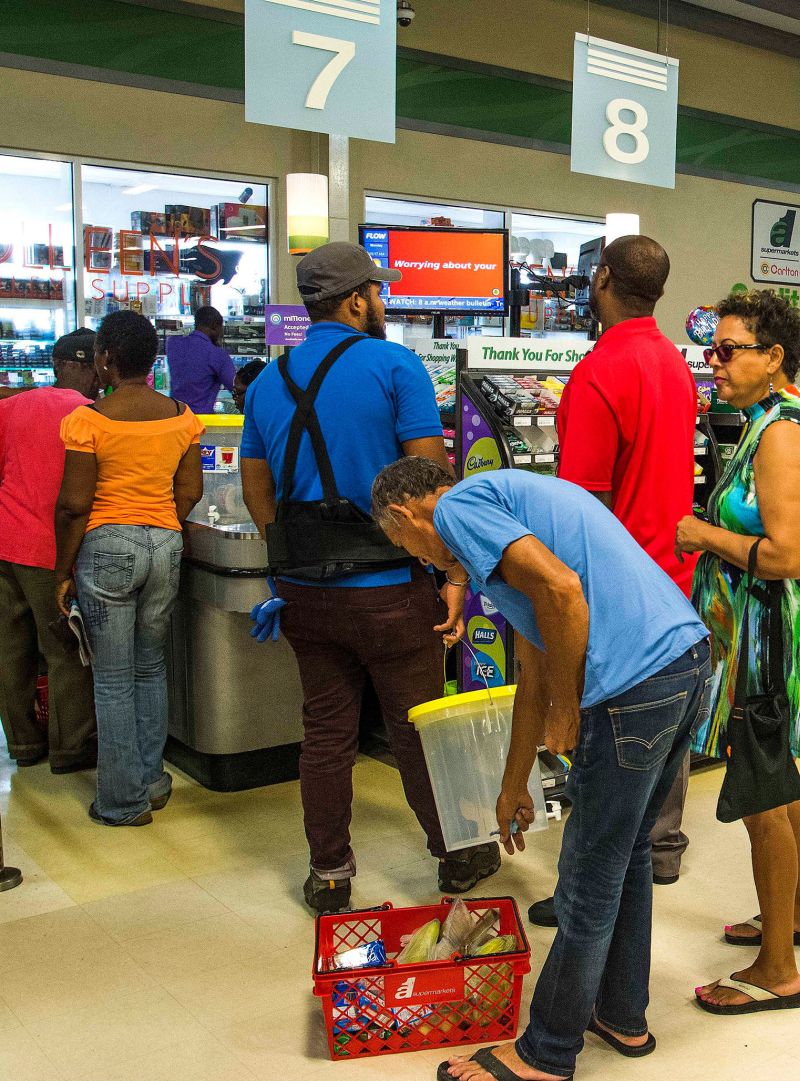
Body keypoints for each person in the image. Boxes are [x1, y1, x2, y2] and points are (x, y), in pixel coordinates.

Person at [369, 459, 710, 1081]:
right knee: (627, 852)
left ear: (404, 513)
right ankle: (621, 1015)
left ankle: (546, 1054)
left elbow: (563, 591)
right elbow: (532, 665)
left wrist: (570, 709)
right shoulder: (503, 516)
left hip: (631, 686)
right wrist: (512, 784)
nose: (426, 562)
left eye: (407, 546)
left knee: (587, 877)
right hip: (681, 663)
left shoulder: (457, 510)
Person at [239, 241, 497, 914]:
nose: (380, 302)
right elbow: (435, 488)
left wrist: (286, 560)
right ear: (357, 299)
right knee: (415, 728)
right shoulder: (394, 365)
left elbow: (255, 486)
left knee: (325, 731)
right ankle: (457, 851)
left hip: (304, 592)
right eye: (376, 292)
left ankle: (329, 871)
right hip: (388, 588)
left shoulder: (270, 380)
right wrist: (452, 573)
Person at [676, 289, 800, 1015]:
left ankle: (777, 968)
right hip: (769, 628)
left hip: (770, 638)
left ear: (773, 357)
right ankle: (798, 913)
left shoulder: (781, 434)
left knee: (761, 796)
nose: (713, 363)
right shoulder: (773, 420)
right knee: (781, 779)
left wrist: (700, 533)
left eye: (726, 350)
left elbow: (785, 553)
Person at [530, 235, 699, 928]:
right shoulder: (675, 365)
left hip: (617, 592)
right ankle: (660, 847)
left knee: (604, 748)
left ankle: (591, 879)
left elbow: (582, 511)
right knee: (664, 744)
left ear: (601, 279)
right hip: (673, 578)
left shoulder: (600, 371)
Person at [53, 312, 204, 826]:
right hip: (166, 544)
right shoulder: (184, 417)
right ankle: (153, 781)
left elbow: (75, 504)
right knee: (150, 667)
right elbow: (190, 491)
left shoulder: (88, 420)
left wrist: (62, 571)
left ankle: (122, 801)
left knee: (113, 679)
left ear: (104, 359)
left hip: (106, 547)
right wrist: (160, 525)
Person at [0, 329, 99, 773]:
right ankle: (70, 749)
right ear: (84, 365)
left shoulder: (10, 408)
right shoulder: (91, 415)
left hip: (5, 545)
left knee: (11, 648)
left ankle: (23, 745)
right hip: (49, 551)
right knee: (64, 651)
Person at [166, 305, 235, 413]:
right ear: (214, 326)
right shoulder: (217, 354)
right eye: (221, 328)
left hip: (175, 417)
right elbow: (235, 387)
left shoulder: (173, 344)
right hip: (201, 420)